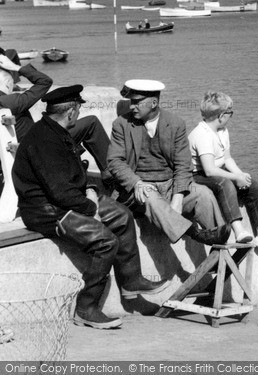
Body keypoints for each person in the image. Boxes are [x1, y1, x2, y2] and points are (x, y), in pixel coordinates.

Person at [12, 85, 170, 330]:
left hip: (67, 200)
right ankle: (86, 307)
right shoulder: (43, 141)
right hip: (47, 211)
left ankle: (131, 282)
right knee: (105, 242)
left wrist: (91, 191)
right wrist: (90, 207)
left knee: (122, 214)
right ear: (72, 112)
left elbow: (73, 176)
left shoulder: (56, 130)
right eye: (78, 108)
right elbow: (59, 192)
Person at [107, 79, 231, 248]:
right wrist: (136, 183)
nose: (132, 107)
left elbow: (183, 164)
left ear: (153, 102)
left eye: (137, 102)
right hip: (138, 189)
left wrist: (178, 197)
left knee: (203, 194)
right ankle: (193, 233)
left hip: (170, 185)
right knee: (149, 195)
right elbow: (115, 161)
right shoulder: (121, 124)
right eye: (131, 102)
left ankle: (219, 245)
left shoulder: (175, 124)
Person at [0, 47, 113, 185]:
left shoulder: (8, 102)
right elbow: (45, 81)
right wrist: (16, 67)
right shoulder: (11, 102)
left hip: (21, 152)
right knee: (91, 123)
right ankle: (109, 173)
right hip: (40, 149)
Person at [188, 91, 258, 253]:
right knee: (225, 184)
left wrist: (241, 176)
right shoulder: (201, 134)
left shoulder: (222, 131)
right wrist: (234, 178)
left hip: (218, 170)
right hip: (200, 174)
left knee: (257, 187)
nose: (230, 117)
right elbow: (209, 170)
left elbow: (227, 159)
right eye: (229, 113)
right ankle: (239, 229)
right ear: (221, 115)